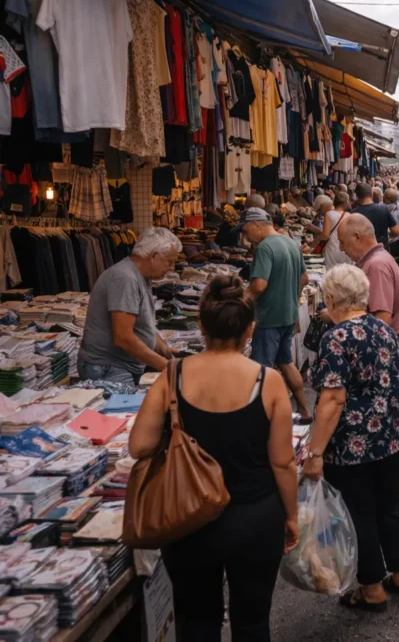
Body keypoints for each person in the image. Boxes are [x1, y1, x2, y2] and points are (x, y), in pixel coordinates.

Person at [129, 275, 300, 641]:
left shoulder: (172, 375)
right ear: (250, 329)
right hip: (256, 518)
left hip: (189, 517)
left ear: (201, 326)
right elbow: (283, 463)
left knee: (197, 622)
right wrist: (291, 516)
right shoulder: (268, 381)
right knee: (252, 622)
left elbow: (139, 446)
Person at [303, 264, 399, 613]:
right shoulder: (383, 329)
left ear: (331, 298)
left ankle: (371, 589)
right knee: (389, 504)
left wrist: (315, 452)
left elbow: (332, 399)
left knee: (360, 513)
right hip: (394, 434)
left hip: (354, 443)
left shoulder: (335, 337)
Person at [78, 227, 179, 385]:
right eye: (170, 261)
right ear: (154, 256)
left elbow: (141, 326)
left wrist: (164, 349)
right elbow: (123, 337)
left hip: (119, 366)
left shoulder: (140, 276)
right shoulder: (125, 278)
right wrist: (166, 366)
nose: (172, 267)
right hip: (109, 368)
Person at [239, 208, 311, 420]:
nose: (245, 236)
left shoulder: (265, 247)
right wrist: (293, 300)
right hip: (288, 315)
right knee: (286, 362)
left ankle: (262, 418)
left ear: (257, 225)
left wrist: (238, 301)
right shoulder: (289, 242)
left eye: (245, 230)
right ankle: (305, 411)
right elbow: (304, 278)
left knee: (262, 370)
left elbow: (259, 286)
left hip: (268, 318)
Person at [338, 214, 399, 352]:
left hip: (379, 351)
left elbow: (382, 320)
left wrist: (338, 316)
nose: (341, 248)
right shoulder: (378, 260)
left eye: (342, 242)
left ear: (357, 237)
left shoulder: (376, 265)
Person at [322, 192, 352, 270]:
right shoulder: (349, 216)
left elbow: (325, 235)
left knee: (332, 273)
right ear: (346, 202)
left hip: (332, 248)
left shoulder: (329, 214)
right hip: (345, 249)